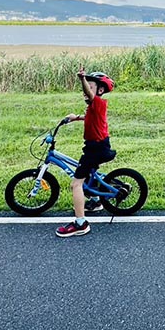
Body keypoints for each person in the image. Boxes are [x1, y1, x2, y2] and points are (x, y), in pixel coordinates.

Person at [56, 70, 116, 238]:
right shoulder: (94, 107)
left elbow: (90, 96)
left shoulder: (96, 102)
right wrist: (76, 118)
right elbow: (92, 117)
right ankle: (96, 202)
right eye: (86, 87)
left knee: (76, 184)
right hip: (97, 146)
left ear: (100, 90)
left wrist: (82, 78)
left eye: (89, 87)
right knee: (90, 173)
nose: (85, 90)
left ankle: (81, 223)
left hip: (95, 148)